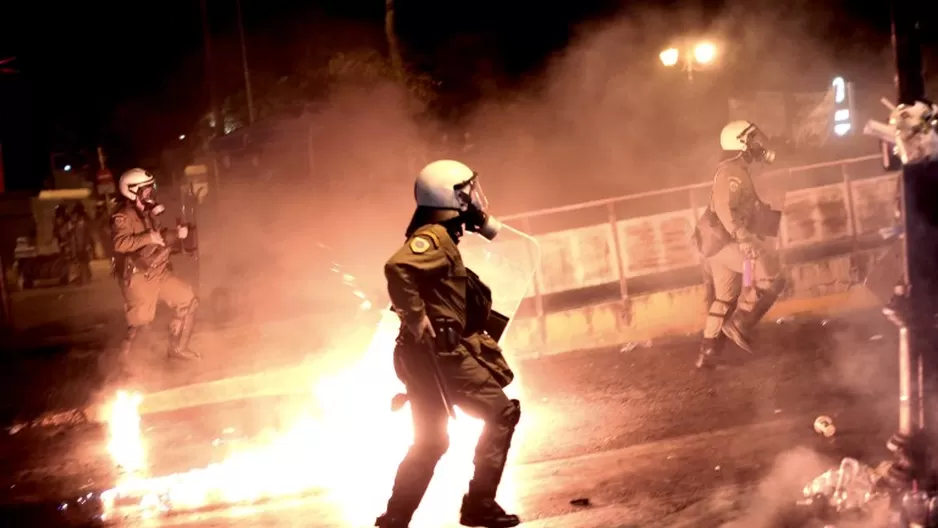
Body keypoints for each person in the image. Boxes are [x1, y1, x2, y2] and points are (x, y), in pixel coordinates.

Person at [376, 160, 521, 528]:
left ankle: (395, 519)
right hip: (443, 355)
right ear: (449, 197)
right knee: (501, 413)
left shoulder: (440, 237)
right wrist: (416, 316)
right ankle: (479, 505)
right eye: (467, 192)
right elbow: (398, 268)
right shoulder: (434, 238)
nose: (474, 199)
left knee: (431, 441)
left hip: (424, 356)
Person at [693, 121, 785, 369]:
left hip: (717, 245)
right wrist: (744, 238)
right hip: (727, 242)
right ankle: (741, 323)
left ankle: (708, 353)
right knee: (774, 278)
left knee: (724, 298)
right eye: (751, 139)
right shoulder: (731, 172)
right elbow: (725, 209)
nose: (757, 144)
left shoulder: (736, 171)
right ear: (740, 144)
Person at [111, 168, 200, 374]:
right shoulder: (122, 216)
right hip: (139, 276)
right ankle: (123, 368)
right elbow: (120, 243)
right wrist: (148, 238)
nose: (150, 193)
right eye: (146, 190)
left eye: (151, 189)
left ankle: (178, 348)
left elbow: (158, 235)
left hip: (159, 270)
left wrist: (177, 234)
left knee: (188, 300)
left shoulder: (147, 213)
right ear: (132, 191)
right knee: (140, 324)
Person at [70, 203, 94, 284]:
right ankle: (86, 277)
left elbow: (81, 236)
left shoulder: (80, 223)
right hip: (82, 245)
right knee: (84, 262)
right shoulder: (83, 222)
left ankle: (84, 278)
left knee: (82, 262)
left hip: (81, 246)